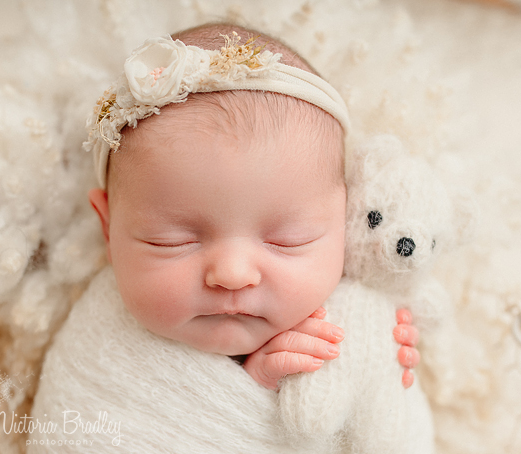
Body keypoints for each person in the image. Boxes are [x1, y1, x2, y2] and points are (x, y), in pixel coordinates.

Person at [85, 22, 420, 390]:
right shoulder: (101, 346)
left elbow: (385, 437)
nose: (232, 274)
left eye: (287, 240)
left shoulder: (345, 319)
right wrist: (255, 387)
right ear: (107, 228)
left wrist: (376, 355)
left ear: (345, 223)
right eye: (172, 241)